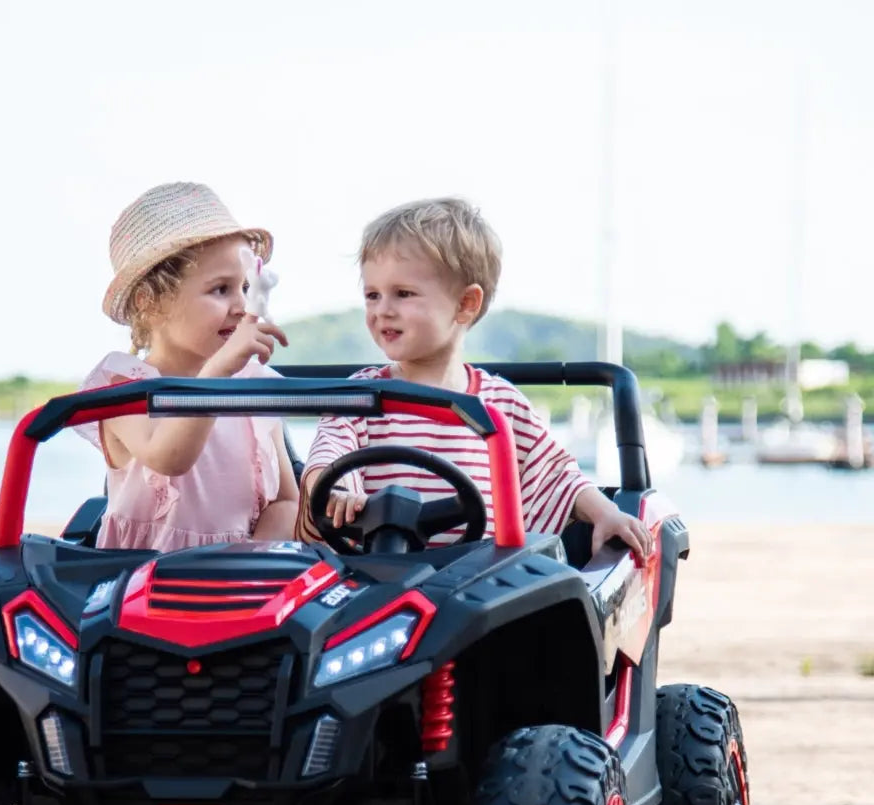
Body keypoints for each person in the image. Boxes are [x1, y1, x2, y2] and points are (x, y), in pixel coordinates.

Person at [293, 197, 652, 559]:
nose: (382, 310)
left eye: (403, 294)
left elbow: (556, 476)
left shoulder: (501, 405)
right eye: (372, 295)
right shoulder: (361, 397)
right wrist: (336, 492)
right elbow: (327, 456)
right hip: (373, 582)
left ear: (466, 304)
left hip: (476, 588)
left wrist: (605, 512)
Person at [79, 181, 299, 551]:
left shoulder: (254, 384)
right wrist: (219, 371)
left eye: (246, 288)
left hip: (242, 580)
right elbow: (169, 458)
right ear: (151, 301)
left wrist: (250, 560)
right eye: (221, 289)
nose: (243, 306)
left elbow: (287, 502)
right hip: (141, 582)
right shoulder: (122, 384)